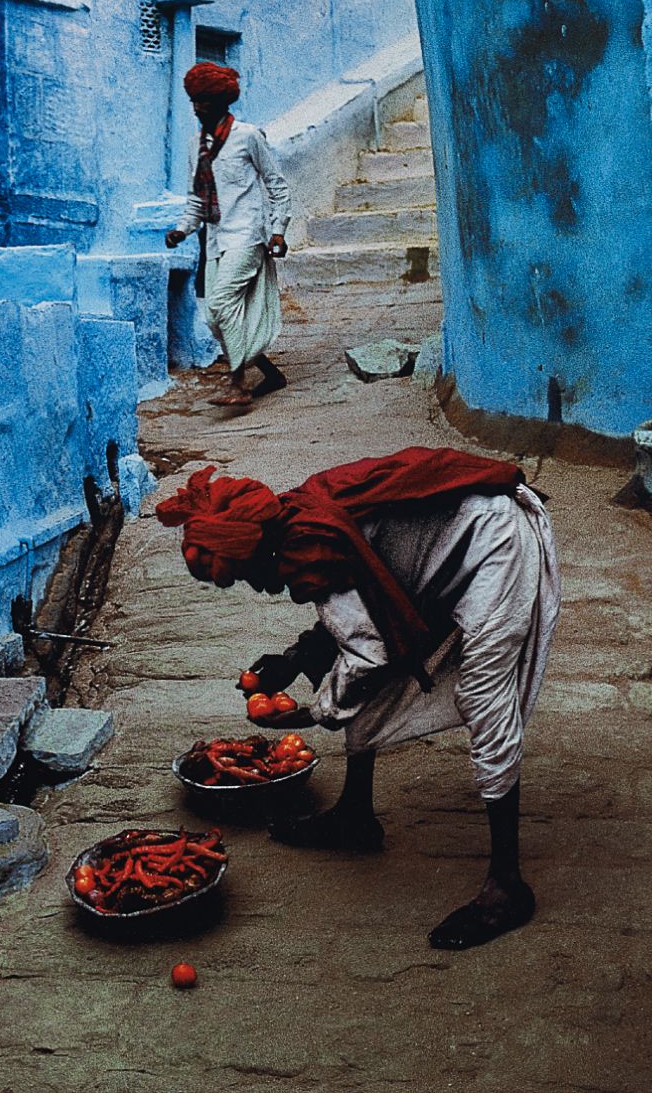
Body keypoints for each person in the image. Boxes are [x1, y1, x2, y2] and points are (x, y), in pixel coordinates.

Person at [155, 446, 561, 949]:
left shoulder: (309, 546)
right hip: (452, 539)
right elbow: (361, 604)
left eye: (240, 576)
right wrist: (297, 657)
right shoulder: (292, 517)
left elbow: (367, 653)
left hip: (496, 541)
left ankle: (506, 886)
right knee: (348, 666)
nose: (254, 589)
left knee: (484, 696)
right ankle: (354, 816)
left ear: (256, 552)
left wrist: (316, 712)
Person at [164, 62, 292, 406]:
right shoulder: (196, 145)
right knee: (212, 316)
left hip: (248, 235)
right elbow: (197, 196)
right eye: (194, 101)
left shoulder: (248, 136)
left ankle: (237, 383)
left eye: (203, 101)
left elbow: (276, 186)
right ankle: (269, 373)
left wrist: (278, 230)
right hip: (217, 238)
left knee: (222, 304)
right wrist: (182, 230)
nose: (196, 108)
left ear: (222, 103)